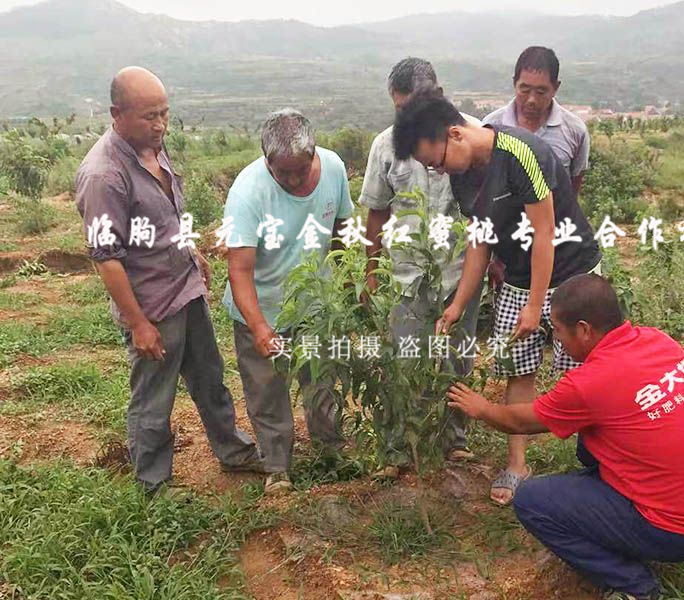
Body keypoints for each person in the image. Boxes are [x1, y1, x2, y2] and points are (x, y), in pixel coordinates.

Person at [446, 274, 684, 600]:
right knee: (590, 442)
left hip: (676, 530)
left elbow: (518, 421)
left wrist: (482, 408)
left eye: (558, 331)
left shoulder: (590, 384)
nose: (556, 341)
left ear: (584, 330)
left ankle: (634, 585)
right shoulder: (657, 341)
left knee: (533, 501)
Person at [393, 90, 602, 505]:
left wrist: (535, 306)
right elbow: (480, 241)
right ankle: (517, 464)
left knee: (585, 369)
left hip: (572, 272)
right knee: (519, 368)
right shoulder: (461, 171)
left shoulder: (522, 153)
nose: (436, 171)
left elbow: (544, 234)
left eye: (435, 161)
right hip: (520, 277)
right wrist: (457, 304)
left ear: (454, 134)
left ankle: (599, 459)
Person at [75, 66, 263, 494]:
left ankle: (233, 451)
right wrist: (138, 323)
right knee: (154, 399)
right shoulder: (104, 176)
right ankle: (154, 484)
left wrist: (190, 251)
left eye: (164, 113)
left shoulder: (153, 149)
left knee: (209, 377)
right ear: (116, 114)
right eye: (149, 116)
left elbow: (162, 218)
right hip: (152, 305)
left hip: (186, 288)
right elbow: (107, 259)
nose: (160, 125)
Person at [222, 109, 354, 492]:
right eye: (284, 173)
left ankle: (331, 449)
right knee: (267, 390)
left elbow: (342, 233)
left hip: (316, 307)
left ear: (314, 154)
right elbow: (240, 270)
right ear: (268, 163)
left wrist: (345, 291)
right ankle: (277, 467)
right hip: (261, 306)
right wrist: (260, 327)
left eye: (301, 169)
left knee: (323, 382)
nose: (295, 180)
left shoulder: (333, 168)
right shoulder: (248, 193)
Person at [360, 57, 480, 476]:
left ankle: (454, 442)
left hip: (460, 272)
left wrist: (493, 262)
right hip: (407, 276)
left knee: (457, 358)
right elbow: (376, 212)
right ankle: (397, 450)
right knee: (404, 359)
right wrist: (371, 271)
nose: (407, 119)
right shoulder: (384, 146)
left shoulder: (470, 135)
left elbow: (489, 211)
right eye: (399, 109)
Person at [483, 46, 591, 295]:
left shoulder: (574, 131)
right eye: (524, 89)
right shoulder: (492, 126)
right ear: (514, 84)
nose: (531, 100)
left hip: (557, 250)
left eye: (541, 91)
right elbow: (485, 199)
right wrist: (493, 258)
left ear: (556, 88)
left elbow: (572, 192)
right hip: (509, 253)